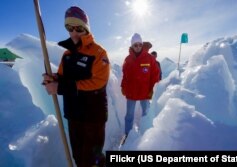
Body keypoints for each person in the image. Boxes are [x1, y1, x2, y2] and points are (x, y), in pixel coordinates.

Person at [42, 6, 110, 167]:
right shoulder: (67, 55)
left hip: (93, 117)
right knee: (78, 156)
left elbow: (99, 81)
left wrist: (60, 88)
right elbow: (62, 76)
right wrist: (53, 78)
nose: (74, 32)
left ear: (86, 28)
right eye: (69, 28)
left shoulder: (99, 52)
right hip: (74, 115)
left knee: (93, 160)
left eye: (78, 28)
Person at [120, 33, 160, 142]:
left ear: (142, 45)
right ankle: (127, 135)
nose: (137, 47)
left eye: (139, 45)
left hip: (145, 93)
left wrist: (152, 89)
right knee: (129, 116)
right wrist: (123, 86)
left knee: (146, 114)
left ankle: (146, 134)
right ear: (132, 46)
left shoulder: (149, 58)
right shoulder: (127, 59)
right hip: (131, 93)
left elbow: (155, 75)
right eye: (135, 45)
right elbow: (125, 76)